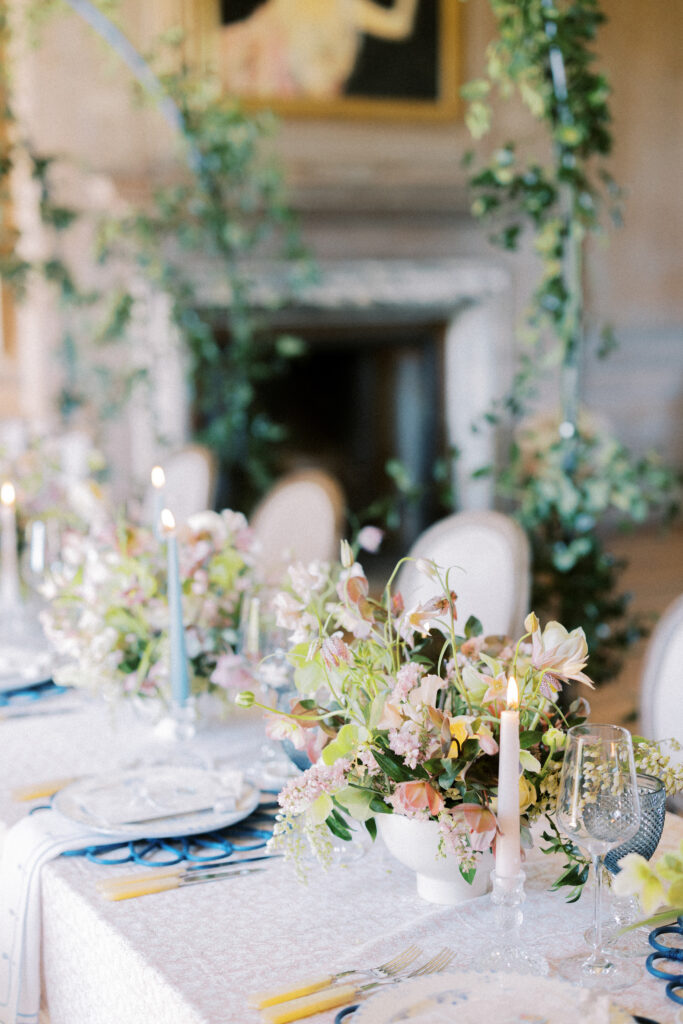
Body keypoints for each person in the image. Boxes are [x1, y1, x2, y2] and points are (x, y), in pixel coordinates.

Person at [219, 0, 421, 99]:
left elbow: (398, 26)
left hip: (322, 98)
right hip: (285, 97)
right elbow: (247, 35)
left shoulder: (347, 6)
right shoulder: (287, 4)